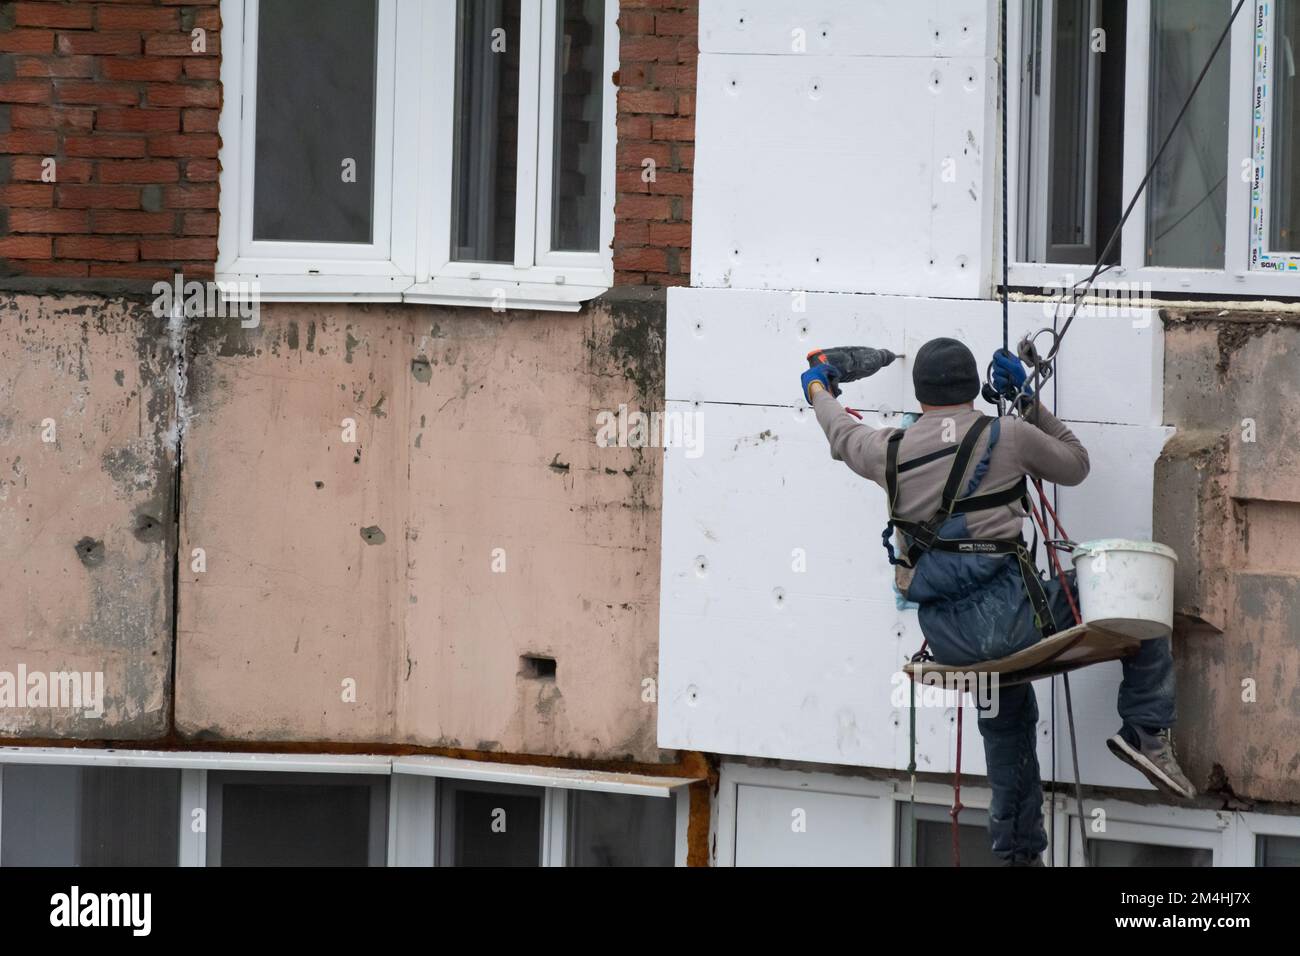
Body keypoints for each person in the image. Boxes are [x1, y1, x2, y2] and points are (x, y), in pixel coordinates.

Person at [801, 337, 1195, 865]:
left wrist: (819, 388)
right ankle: (1145, 730)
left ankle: (1018, 855)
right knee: (1137, 594)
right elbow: (1077, 465)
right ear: (973, 389)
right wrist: (1029, 400)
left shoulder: (885, 452)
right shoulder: (1006, 435)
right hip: (1014, 622)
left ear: (919, 395)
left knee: (1007, 717)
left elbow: (839, 429)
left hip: (952, 644)